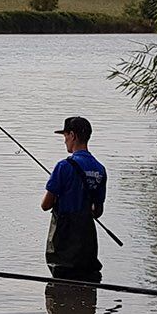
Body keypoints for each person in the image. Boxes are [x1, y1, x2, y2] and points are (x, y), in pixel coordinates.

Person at [40, 116, 107, 282]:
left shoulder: (63, 166)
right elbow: (97, 212)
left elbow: (45, 205)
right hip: (87, 239)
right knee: (87, 279)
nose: (64, 141)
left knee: (62, 282)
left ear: (73, 135)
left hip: (64, 238)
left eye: (65, 136)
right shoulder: (100, 169)